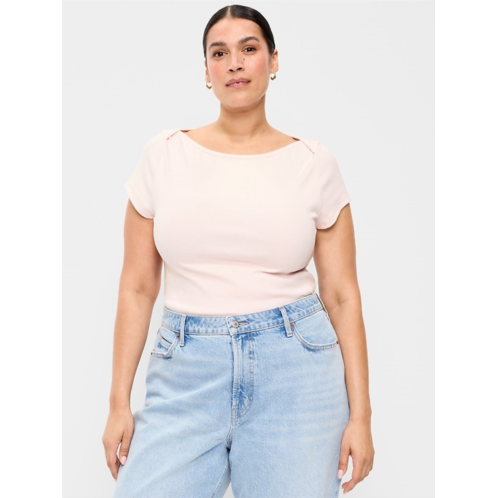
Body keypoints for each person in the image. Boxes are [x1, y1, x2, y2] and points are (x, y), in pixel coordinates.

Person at [102, 4, 374, 497]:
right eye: (219, 52)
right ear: (206, 70)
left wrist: (362, 416)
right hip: (185, 371)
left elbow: (342, 296)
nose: (234, 63)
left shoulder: (314, 164)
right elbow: (137, 287)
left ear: (273, 60)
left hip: (296, 374)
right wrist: (118, 401)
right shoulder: (164, 155)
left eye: (249, 49)